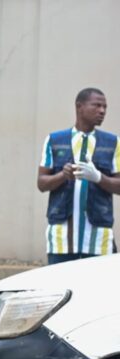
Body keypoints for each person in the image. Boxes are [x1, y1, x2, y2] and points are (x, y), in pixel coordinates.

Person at [38, 87, 120, 264]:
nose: (102, 111)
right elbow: (42, 183)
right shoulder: (54, 140)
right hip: (61, 238)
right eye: (96, 105)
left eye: (105, 107)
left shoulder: (113, 142)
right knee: (60, 281)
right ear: (79, 107)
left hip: (98, 239)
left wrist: (98, 177)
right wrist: (62, 175)